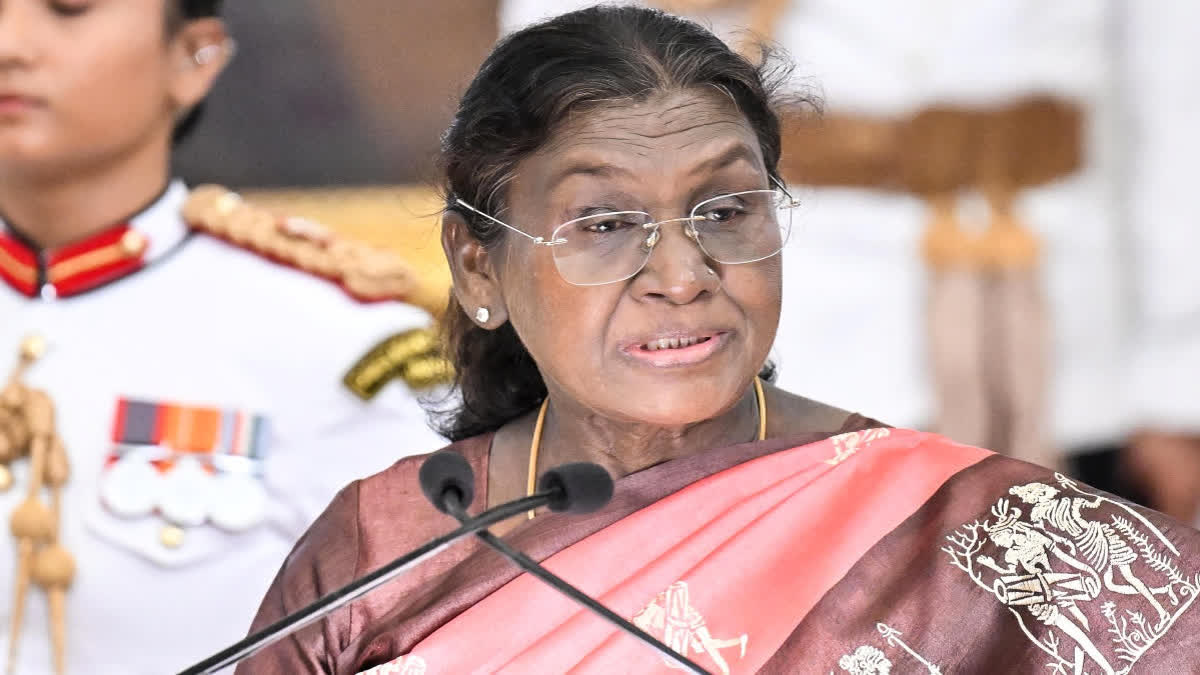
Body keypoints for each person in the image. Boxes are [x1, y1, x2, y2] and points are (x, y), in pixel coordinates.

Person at [240, 7, 1200, 674]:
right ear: (478, 266)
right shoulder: (389, 547)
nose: (682, 273)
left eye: (727, 210)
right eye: (604, 224)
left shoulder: (961, 522)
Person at [496, 1, 1200, 521]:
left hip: (1070, 334)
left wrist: (1178, 381)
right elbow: (554, 105)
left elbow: (1175, 92)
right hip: (794, 325)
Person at [0, 1, 445, 673]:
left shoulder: (336, 340)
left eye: (68, 8)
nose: (9, 44)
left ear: (193, 55)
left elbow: (423, 635)